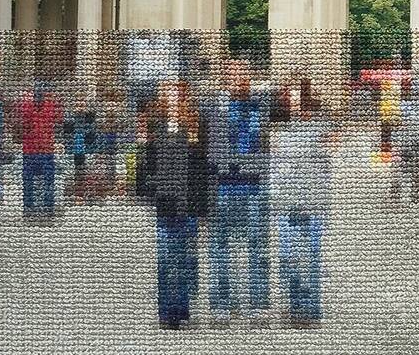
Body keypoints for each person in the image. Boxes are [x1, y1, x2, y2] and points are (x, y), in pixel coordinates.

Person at [203, 59, 273, 325]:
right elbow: (206, 145)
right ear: (224, 78)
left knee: (258, 247)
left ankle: (259, 304)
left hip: (254, 185)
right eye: (231, 73)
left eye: (242, 73)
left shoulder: (260, 104)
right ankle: (221, 304)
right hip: (222, 185)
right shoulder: (213, 105)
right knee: (219, 248)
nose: (237, 78)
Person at [141, 81, 206, 330]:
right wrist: (150, 191)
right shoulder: (156, 126)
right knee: (166, 257)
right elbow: (147, 163)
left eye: (176, 91)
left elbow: (201, 167)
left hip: (187, 202)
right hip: (166, 202)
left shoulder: (193, 124)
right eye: (167, 91)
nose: (172, 96)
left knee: (184, 258)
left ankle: (182, 308)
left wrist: (202, 208)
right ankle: (166, 311)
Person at [269, 78, 333, 327]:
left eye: (297, 94)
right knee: (288, 256)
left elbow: (326, 159)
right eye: (289, 95)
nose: (293, 99)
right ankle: (295, 303)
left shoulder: (320, 127)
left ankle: (311, 307)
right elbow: (273, 166)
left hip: (313, 200)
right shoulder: (276, 128)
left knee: (312, 256)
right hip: (285, 201)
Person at [16, 84, 62, 219]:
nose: (38, 98)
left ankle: (47, 207)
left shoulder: (50, 106)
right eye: (37, 95)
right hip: (31, 151)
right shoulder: (26, 107)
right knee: (29, 180)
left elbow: (59, 122)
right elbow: (19, 125)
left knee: (47, 180)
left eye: (41, 95)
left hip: (45, 150)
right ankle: (30, 208)